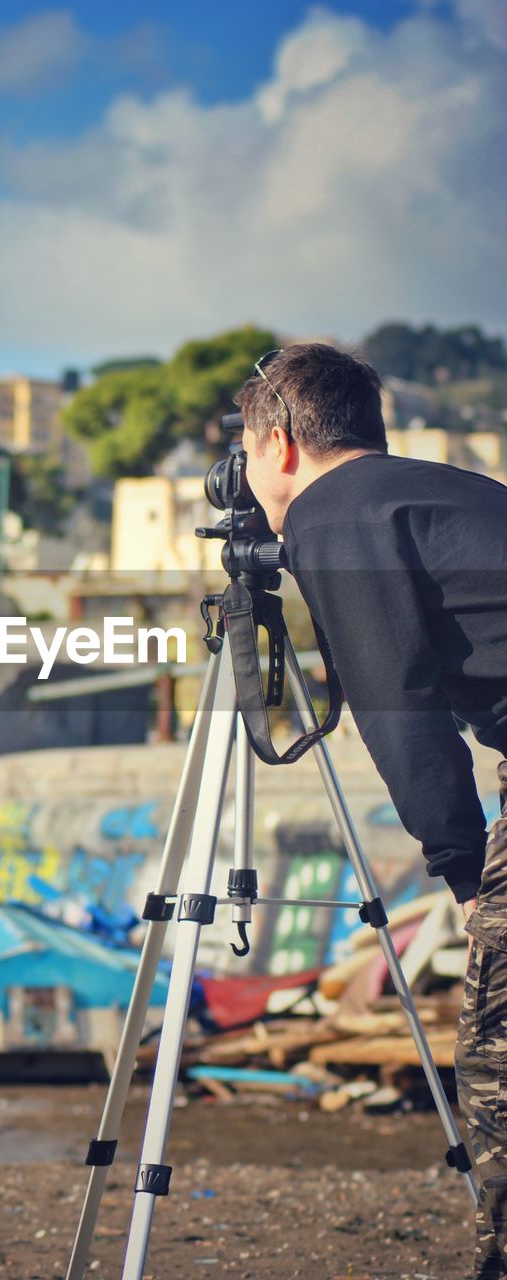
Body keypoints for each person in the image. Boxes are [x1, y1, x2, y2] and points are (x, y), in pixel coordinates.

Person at [235, 342, 507, 1279]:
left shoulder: (329, 513)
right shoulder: (440, 489)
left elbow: (397, 705)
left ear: (276, 444)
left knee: (500, 1054)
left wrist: (464, 871)